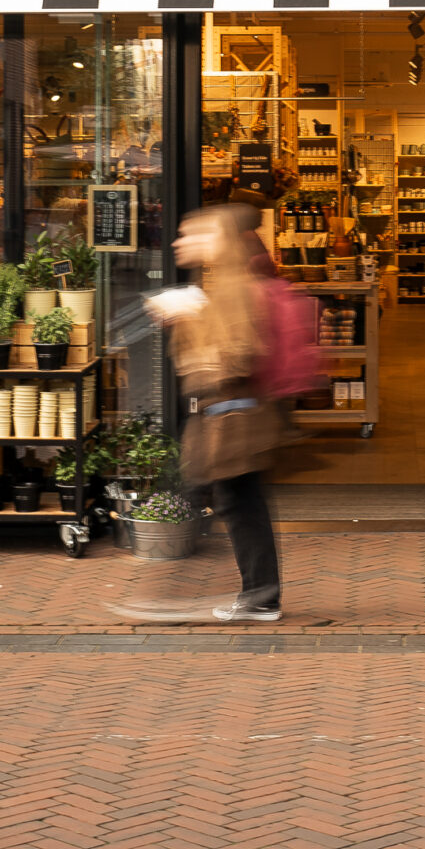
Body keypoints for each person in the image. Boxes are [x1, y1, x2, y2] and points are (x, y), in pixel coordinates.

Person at [140, 201, 283, 623]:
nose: (179, 242)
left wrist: (189, 318)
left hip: (235, 419)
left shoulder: (233, 286)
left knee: (239, 502)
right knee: (238, 501)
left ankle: (260, 595)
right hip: (233, 418)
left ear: (216, 240)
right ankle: (260, 594)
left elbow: (238, 356)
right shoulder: (218, 284)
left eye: (191, 234)